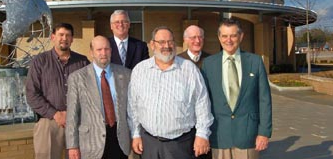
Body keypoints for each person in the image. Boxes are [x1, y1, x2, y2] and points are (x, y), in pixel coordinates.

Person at [127, 26, 214, 159]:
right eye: (161, 42)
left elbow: (202, 103)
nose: (166, 46)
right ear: (152, 44)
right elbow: (133, 106)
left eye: (170, 41)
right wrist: (135, 134)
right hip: (149, 143)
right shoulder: (140, 70)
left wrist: (202, 134)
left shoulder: (189, 69)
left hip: (179, 144)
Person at [201, 18, 272, 159]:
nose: (229, 40)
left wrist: (264, 132)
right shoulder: (208, 64)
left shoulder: (255, 61)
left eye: (233, 35)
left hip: (247, 135)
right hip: (219, 135)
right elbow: (203, 102)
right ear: (219, 37)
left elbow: (264, 100)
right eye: (224, 36)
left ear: (241, 36)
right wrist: (202, 134)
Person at [26, 23, 90, 159]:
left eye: (68, 35)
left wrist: (73, 113)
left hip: (77, 123)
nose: (64, 38)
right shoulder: (39, 61)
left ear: (72, 39)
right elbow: (32, 94)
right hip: (49, 123)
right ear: (53, 37)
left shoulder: (83, 62)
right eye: (61, 35)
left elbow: (91, 92)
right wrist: (55, 114)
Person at [66, 36, 131, 159]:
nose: (103, 53)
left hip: (119, 140)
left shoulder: (125, 74)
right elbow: (72, 115)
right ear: (91, 52)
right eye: (99, 49)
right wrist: (72, 146)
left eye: (106, 49)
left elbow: (132, 109)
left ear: (111, 51)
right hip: (91, 142)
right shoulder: (77, 78)